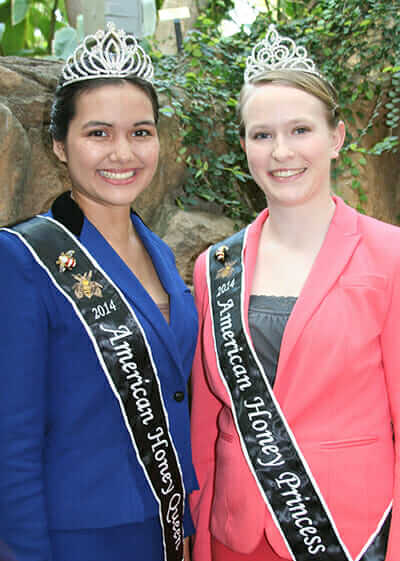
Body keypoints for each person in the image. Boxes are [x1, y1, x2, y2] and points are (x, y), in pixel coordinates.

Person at [190, 24, 400, 561]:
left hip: (348, 534)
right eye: (262, 135)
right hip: (236, 534)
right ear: (244, 146)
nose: (281, 151)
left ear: (336, 137)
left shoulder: (390, 256)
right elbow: (209, 423)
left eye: (300, 129)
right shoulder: (214, 268)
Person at [0, 23, 197, 561]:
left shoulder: (157, 250)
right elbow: (11, 442)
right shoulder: (21, 258)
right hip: (77, 539)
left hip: (166, 528)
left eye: (140, 132)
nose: (122, 153)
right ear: (60, 145)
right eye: (98, 133)